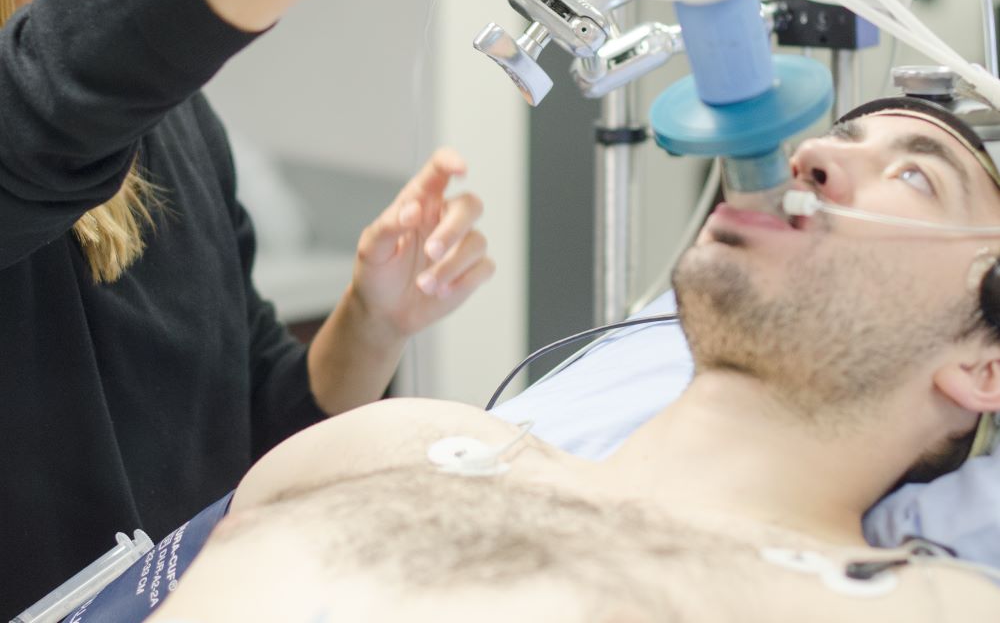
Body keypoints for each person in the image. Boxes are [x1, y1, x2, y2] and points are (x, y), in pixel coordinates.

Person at [0, 0, 708, 621]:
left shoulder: (173, 130)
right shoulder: (46, 123)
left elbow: (263, 435)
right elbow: (56, 93)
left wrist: (369, 323)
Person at [122, 98, 1000, 621]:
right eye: (835, 140)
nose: (809, 158)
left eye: (916, 176)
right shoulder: (395, 444)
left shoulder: (927, 609)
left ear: (985, 369)